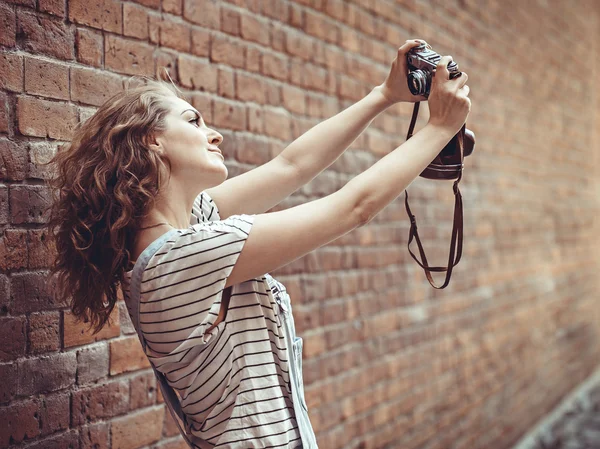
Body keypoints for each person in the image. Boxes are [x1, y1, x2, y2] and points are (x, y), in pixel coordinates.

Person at [44, 39, 470, 448]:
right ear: (151, 141)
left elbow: (292, 166)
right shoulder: (176, 261)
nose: (215, 135)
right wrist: (439, 128)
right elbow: (354, 208)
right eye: (194, 121)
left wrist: (384, 95)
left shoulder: (183, 233)